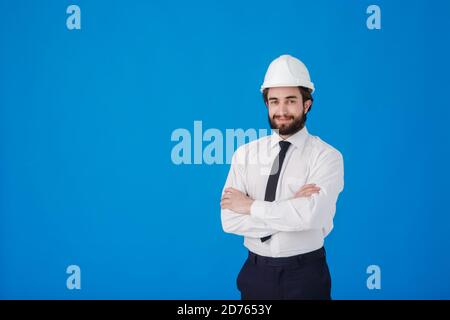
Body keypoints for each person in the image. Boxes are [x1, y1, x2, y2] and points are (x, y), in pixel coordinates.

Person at [220, 54, 344, 300]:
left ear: (306, 104)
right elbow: (229, 220)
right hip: (255, 274)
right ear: (267, 104)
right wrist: (291, 210)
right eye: (274, 101)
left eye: (290, 101)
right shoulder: (245, 154)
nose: (282, 110)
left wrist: (250, 206)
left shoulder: (327, 157)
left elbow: (311, 216)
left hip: (305, 275)